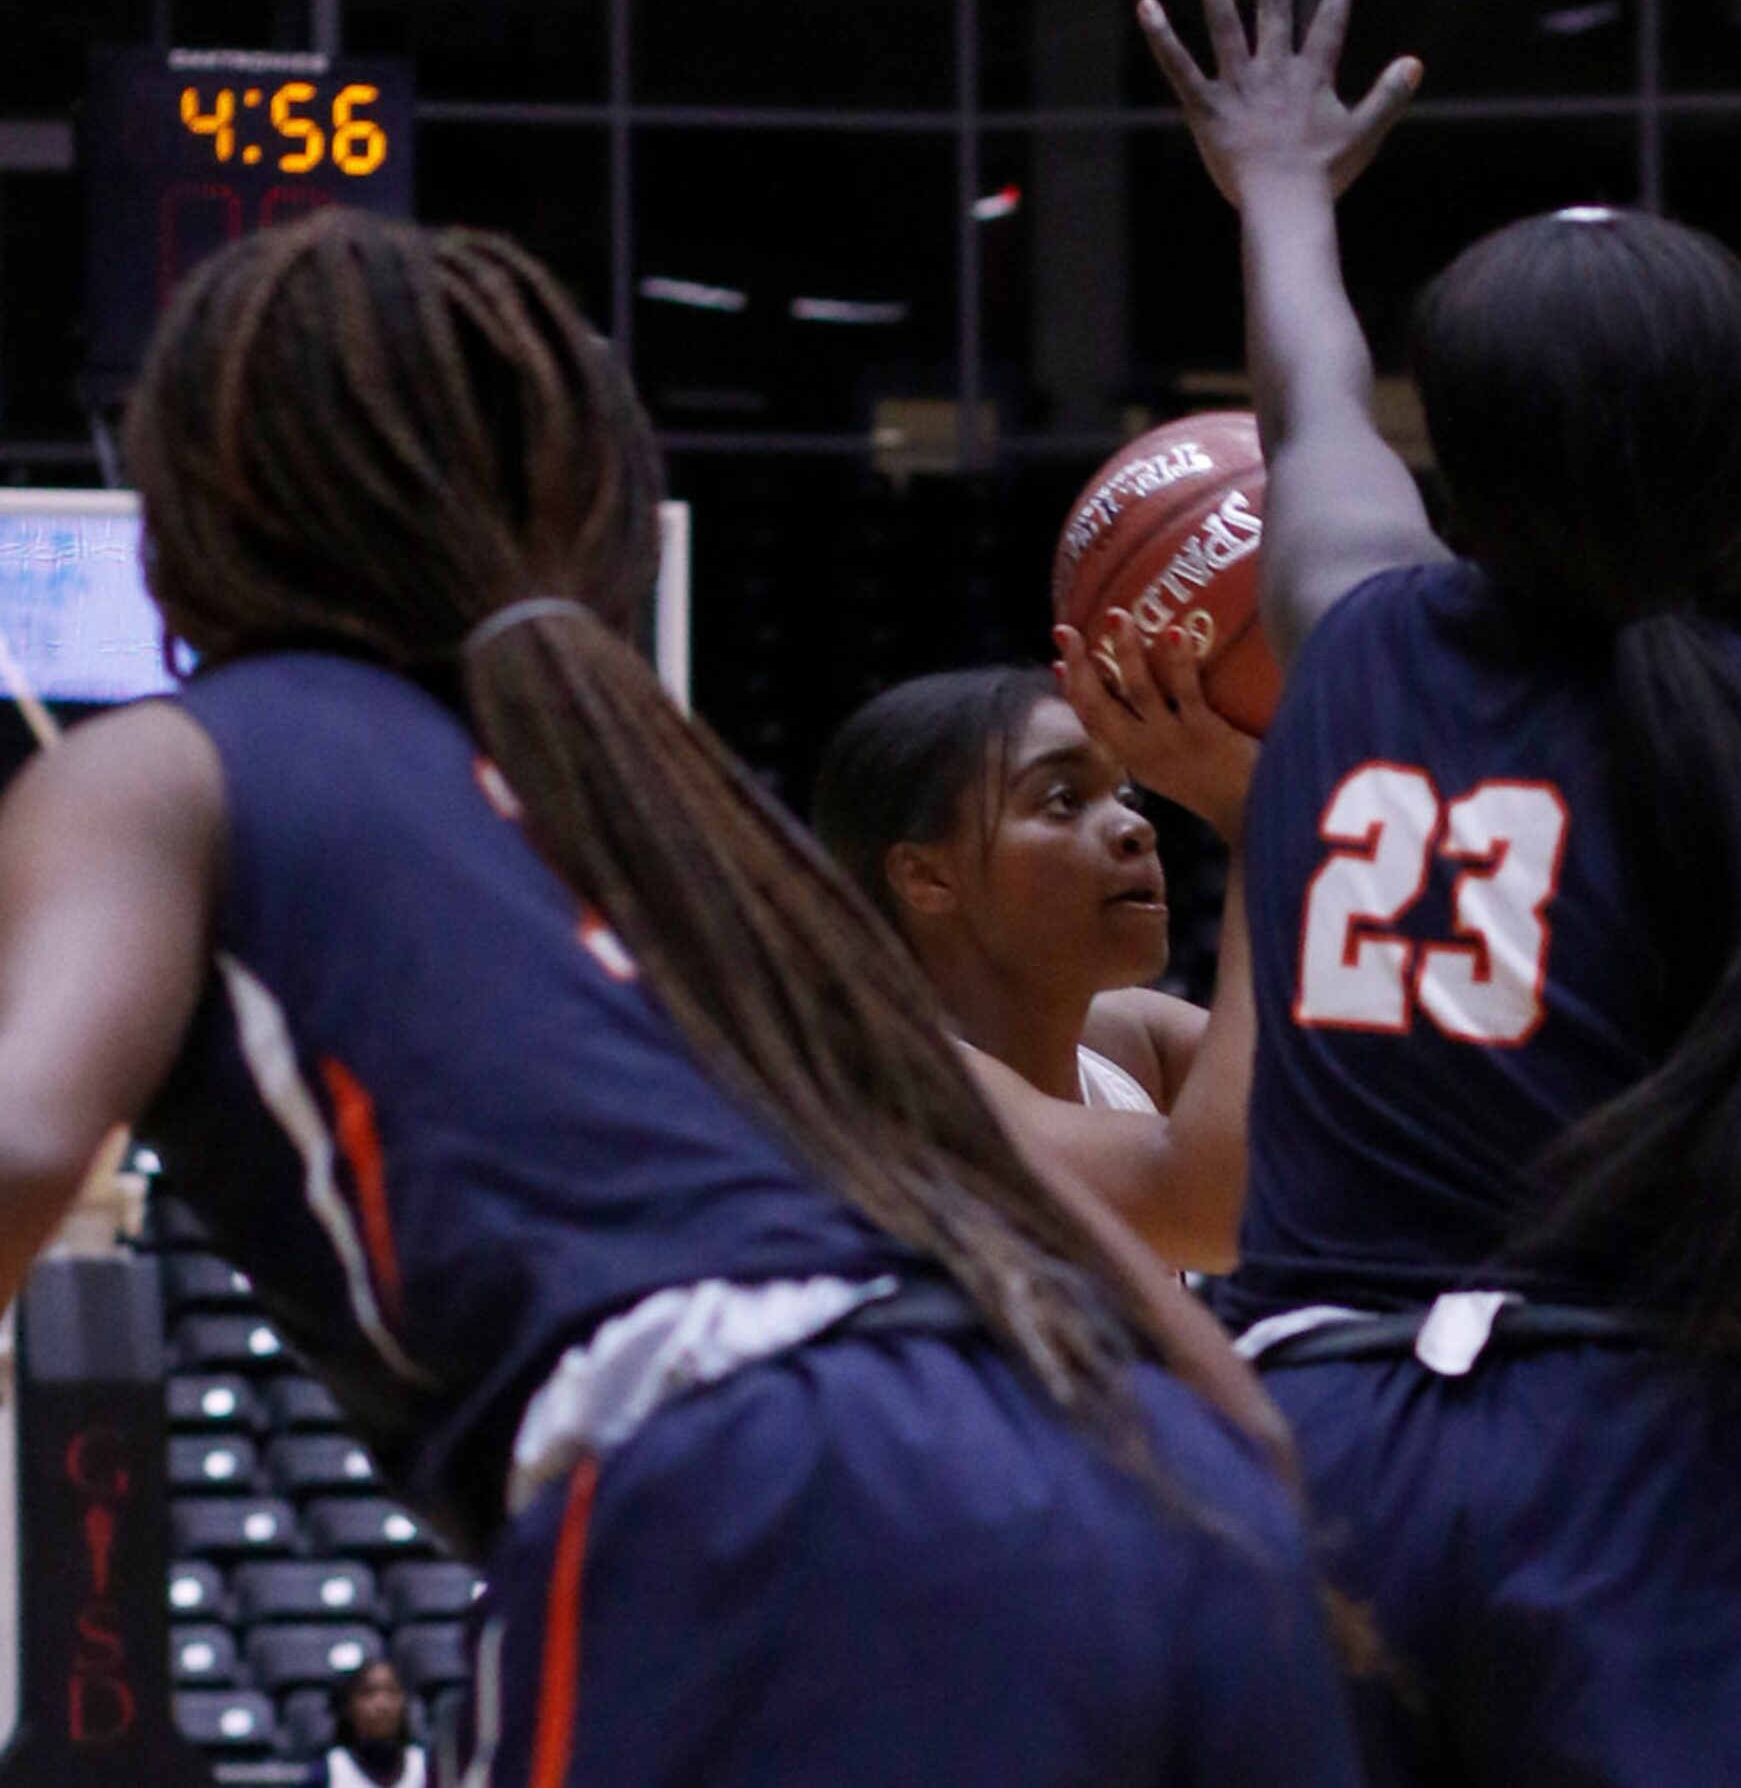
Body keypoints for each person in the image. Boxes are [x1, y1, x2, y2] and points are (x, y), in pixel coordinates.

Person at [0, 208, 1366, 1784]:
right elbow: (1077, 1242)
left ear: (197, 504)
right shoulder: (653, 805)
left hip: (745, 1480)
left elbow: (30, 1137)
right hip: (1150, 1465)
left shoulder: (165, 765)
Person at [1123, 0, 1741, 1782]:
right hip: (1666, 1472)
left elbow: (1310, 389)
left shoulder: (1342, 615)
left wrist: (1276, 182)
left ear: (1455, 472)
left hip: (1309, 1461)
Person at [813, 633, 1257, 1271]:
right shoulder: (899, 1083)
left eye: (1126, 797)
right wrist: (1260, 820)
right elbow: (1220, 1211)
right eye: (1064, 801)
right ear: (925, 877)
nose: (1136, 828)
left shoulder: (1134, 1040)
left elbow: (1360, 1134)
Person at [304, 1660, 428, 1788]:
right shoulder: (327, 1770)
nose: (382, 1704)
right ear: (348, 1705)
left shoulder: (426, 1767)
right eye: (369, 1692)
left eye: (392, 1691)